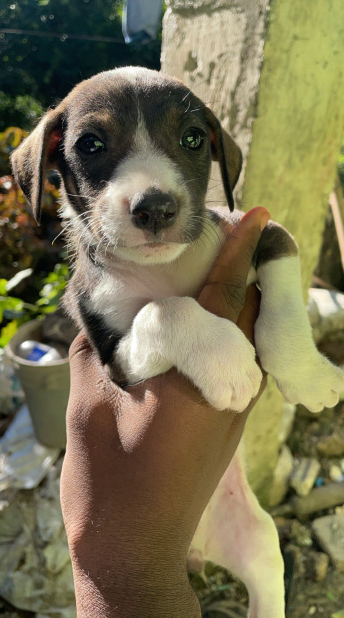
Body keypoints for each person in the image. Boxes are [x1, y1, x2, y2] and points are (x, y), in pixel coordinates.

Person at [60, 207, 269, 617]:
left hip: (210, 484)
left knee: (266, 559)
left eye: (192, 138)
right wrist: (128, 570)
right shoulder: (98, 280)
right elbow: (116, 365)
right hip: (161, 501)